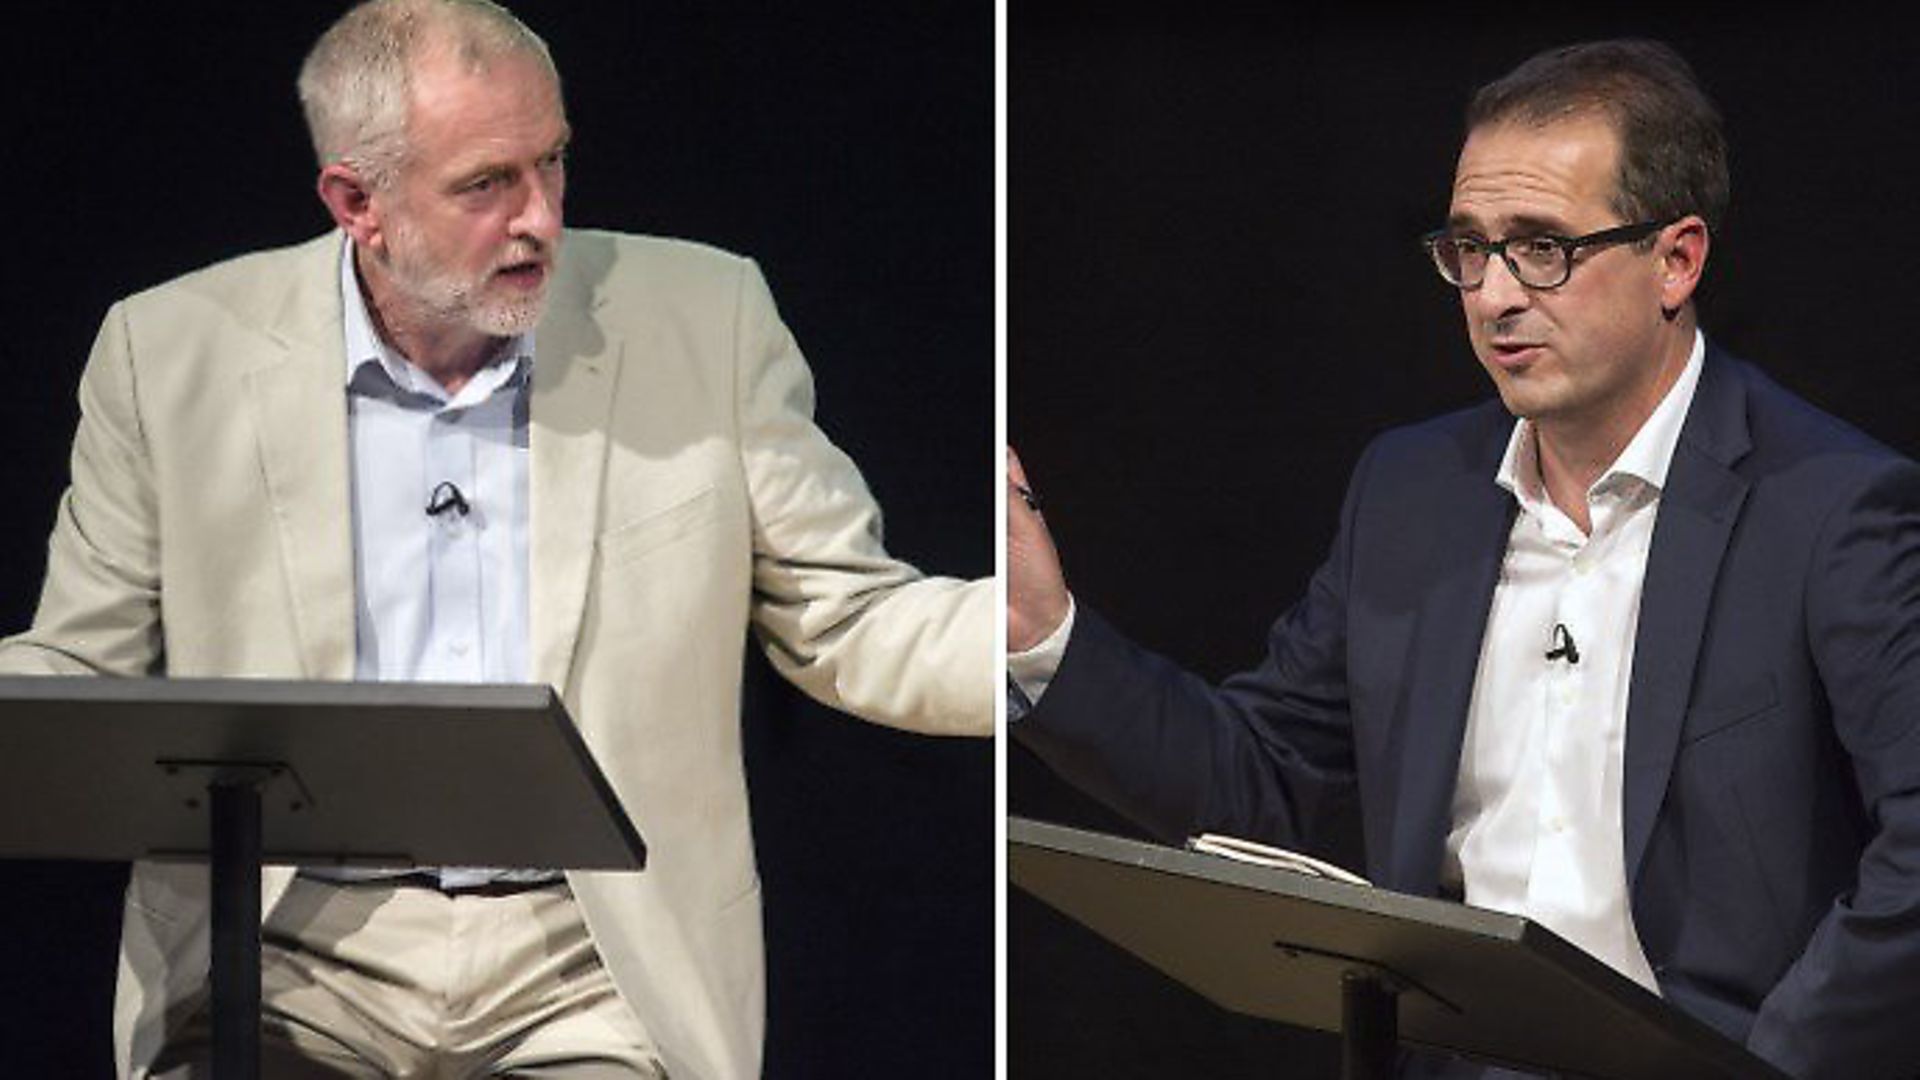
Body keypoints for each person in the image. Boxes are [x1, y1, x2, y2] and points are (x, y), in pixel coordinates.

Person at [0, 0, 991, 1076]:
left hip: (589, 968)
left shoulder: (704, 316)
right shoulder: (171, 351)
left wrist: (1029, 643)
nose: (541, 220)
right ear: (356, 202)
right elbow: (74, 669)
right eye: (485, 185)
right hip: (289, 949)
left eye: (552, 162)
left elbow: (847, 616)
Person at [1008, 38, 1920, 1079]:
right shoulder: (1411, 492)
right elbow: (1258, 778)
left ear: (1677, 259)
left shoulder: (1833, 507)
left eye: (1542, 248)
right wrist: (1044, 641)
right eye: (1469, 248)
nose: (1492, 295)